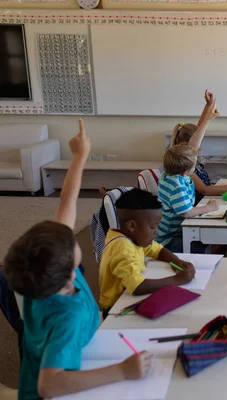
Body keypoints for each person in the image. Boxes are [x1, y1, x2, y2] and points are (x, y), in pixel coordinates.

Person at [3, 120, 152, 400]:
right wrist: (122, 371)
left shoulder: (43, 273)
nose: (71, 231)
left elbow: (66, 204)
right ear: (71, 270)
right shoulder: (66, 317)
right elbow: (49, 384)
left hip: (76, 357)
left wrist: (79, 156)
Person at [99, 188, 196, 316]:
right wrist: (177, 280)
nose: (157, 232)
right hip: (116, 309)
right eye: (153, 227)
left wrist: (176, 261)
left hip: (128, 300)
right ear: (132, 226)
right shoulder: (122, 247)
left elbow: (157, 250)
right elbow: (137, 286)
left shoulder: (134, 238)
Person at [170, 90, 227, 202]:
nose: (200, 147)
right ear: (188, 145)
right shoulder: (185, 166)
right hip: (198, 204)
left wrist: (208, 106)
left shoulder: (186, 154)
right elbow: (204, 190)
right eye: (198, 144)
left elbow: (199, 129)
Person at [156, 142, 218, 253]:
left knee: (207, 239)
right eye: (194, 166)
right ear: (185, 172)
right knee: (200, 248)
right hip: (168, 239)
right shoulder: (176, 185)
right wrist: (209, 207)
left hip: (175, 230)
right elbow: (187, 212)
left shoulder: (168, 175)